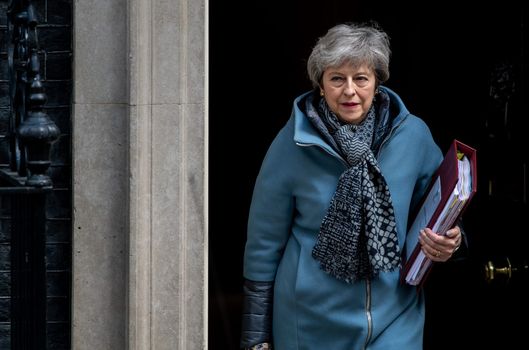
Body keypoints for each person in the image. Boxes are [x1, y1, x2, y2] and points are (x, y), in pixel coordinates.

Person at [239, 22, 463, 350]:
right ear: (320, 85)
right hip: (310, 324)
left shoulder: (412, 136)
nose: (349, 91)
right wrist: (255, 339)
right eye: (336, 79)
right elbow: (263, 246)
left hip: (395, 319)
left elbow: (441, 207)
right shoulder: (291, 144)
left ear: (377, 81)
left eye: (360, 78)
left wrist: (454, 241)